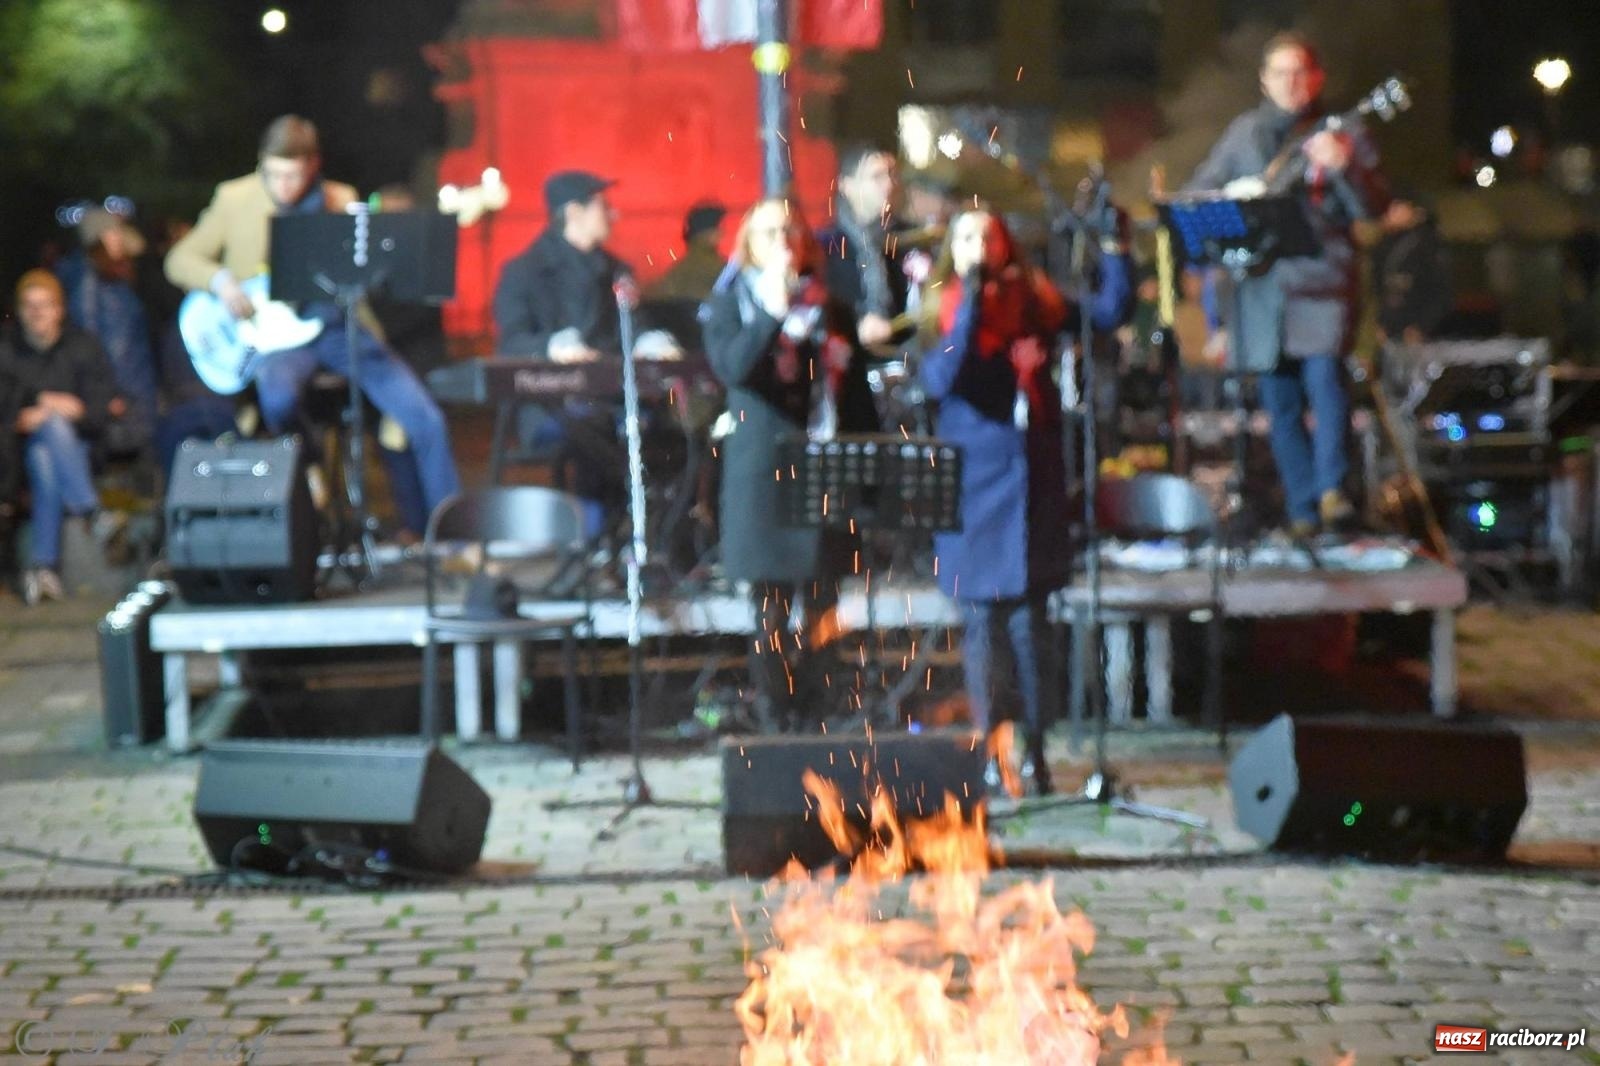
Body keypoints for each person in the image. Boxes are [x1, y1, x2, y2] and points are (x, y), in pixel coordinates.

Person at [164, 115, 460, 540]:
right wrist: (220, 281)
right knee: (278, 396)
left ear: (314, 166)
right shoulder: (234, 198)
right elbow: (179, 260)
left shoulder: (339, 198)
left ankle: (451, 533)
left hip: (335, 327)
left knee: (424, 417)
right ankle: (310, 465)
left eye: (294, 176)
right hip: (277, 339)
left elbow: (360, 270)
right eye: (274, 175)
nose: (284, 186)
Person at [919, 209, 1132, 793]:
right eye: (967, 235)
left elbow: (1107, 314)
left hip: (1031, 482)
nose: (980, 244)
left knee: (1031, 629)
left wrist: (1116, 248)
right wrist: (973, 295)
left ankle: (1036, 752)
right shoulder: (943, 303)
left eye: (988, 234)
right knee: (983, 629)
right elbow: (946, 374)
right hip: (974, 490)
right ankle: (992, 751)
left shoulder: (1033, 299)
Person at [1184, 32, 1386, 535]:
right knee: (1280, 403)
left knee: (1325, 382)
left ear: (1317, 78)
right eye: (1280, 73)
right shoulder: (1244, 134)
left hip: (1321, 284)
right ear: (1264, 80)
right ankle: (1301, 509)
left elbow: (1373, 207)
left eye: (1300, 72)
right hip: (1262, 290)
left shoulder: (1342, 131)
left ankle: (1334, 490)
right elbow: (1198, 191)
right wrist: (1231, 195)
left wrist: (1345, 168)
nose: (1290, 83)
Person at [702, 199, 852, 733]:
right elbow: (735, 367)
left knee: (822, 598)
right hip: (761, 466)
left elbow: (843, 382)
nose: (781, 242)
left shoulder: (824, 304)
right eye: (768, 233)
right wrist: (771, 309)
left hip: (816, 458)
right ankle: (775, 713)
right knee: (770, 602)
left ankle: (819, 711)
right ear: (748, 244)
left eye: (789, 230)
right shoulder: (729, 304)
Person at [492, 170, 631, 542]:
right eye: (602, 206)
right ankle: (597, 534)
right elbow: (512, 342)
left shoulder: (615, 273)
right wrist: (553, 347)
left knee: (660, 426)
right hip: (548, 406)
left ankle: (632, 529)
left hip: (609, 400)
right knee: (593, 427)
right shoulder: (523, 273)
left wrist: (652, 340)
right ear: (573, 212)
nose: (612, 214)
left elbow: (634, 329)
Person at [0, 270, 117, 604]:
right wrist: (34, 411)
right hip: (17, 457)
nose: (37, 313)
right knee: (43, 448)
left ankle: (45, 568)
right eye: (30, 305)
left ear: (59, 309)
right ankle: (92, 512)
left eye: (45, 305)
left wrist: (73, 411)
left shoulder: (82, 346)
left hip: (82, 449)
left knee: (48, 447)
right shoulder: (7, 351)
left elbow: (98, 408)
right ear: (20, 311)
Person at [816, 144, 906, 433]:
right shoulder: (826, 247)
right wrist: (857, 326)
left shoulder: (904, 241)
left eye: (891, 174)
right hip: (847, 385)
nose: (888, 185)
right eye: (876, 176)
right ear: (847, 186)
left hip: (899, 378)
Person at [56, 207, 159, 459]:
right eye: (113, 233)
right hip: (120, 386)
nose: (120, 237)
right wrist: (108, 392)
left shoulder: (113, 274)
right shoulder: (87, 280)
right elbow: (89, 340)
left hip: (133, 381)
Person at [1372, 196, 1452, 347]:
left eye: (1397, 207)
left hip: (1422, 332)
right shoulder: (1384, 246)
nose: (1390, 212)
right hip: (1392, 329)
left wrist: (1421, 326)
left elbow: (1441, 292)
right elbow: (1379, 289)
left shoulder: (1428, 244)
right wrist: (1382, 323)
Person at [647, 201, 728, 302]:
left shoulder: (678, 270)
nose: (722, 233)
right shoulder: (719, 269)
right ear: (705, 233)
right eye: (719, 228)